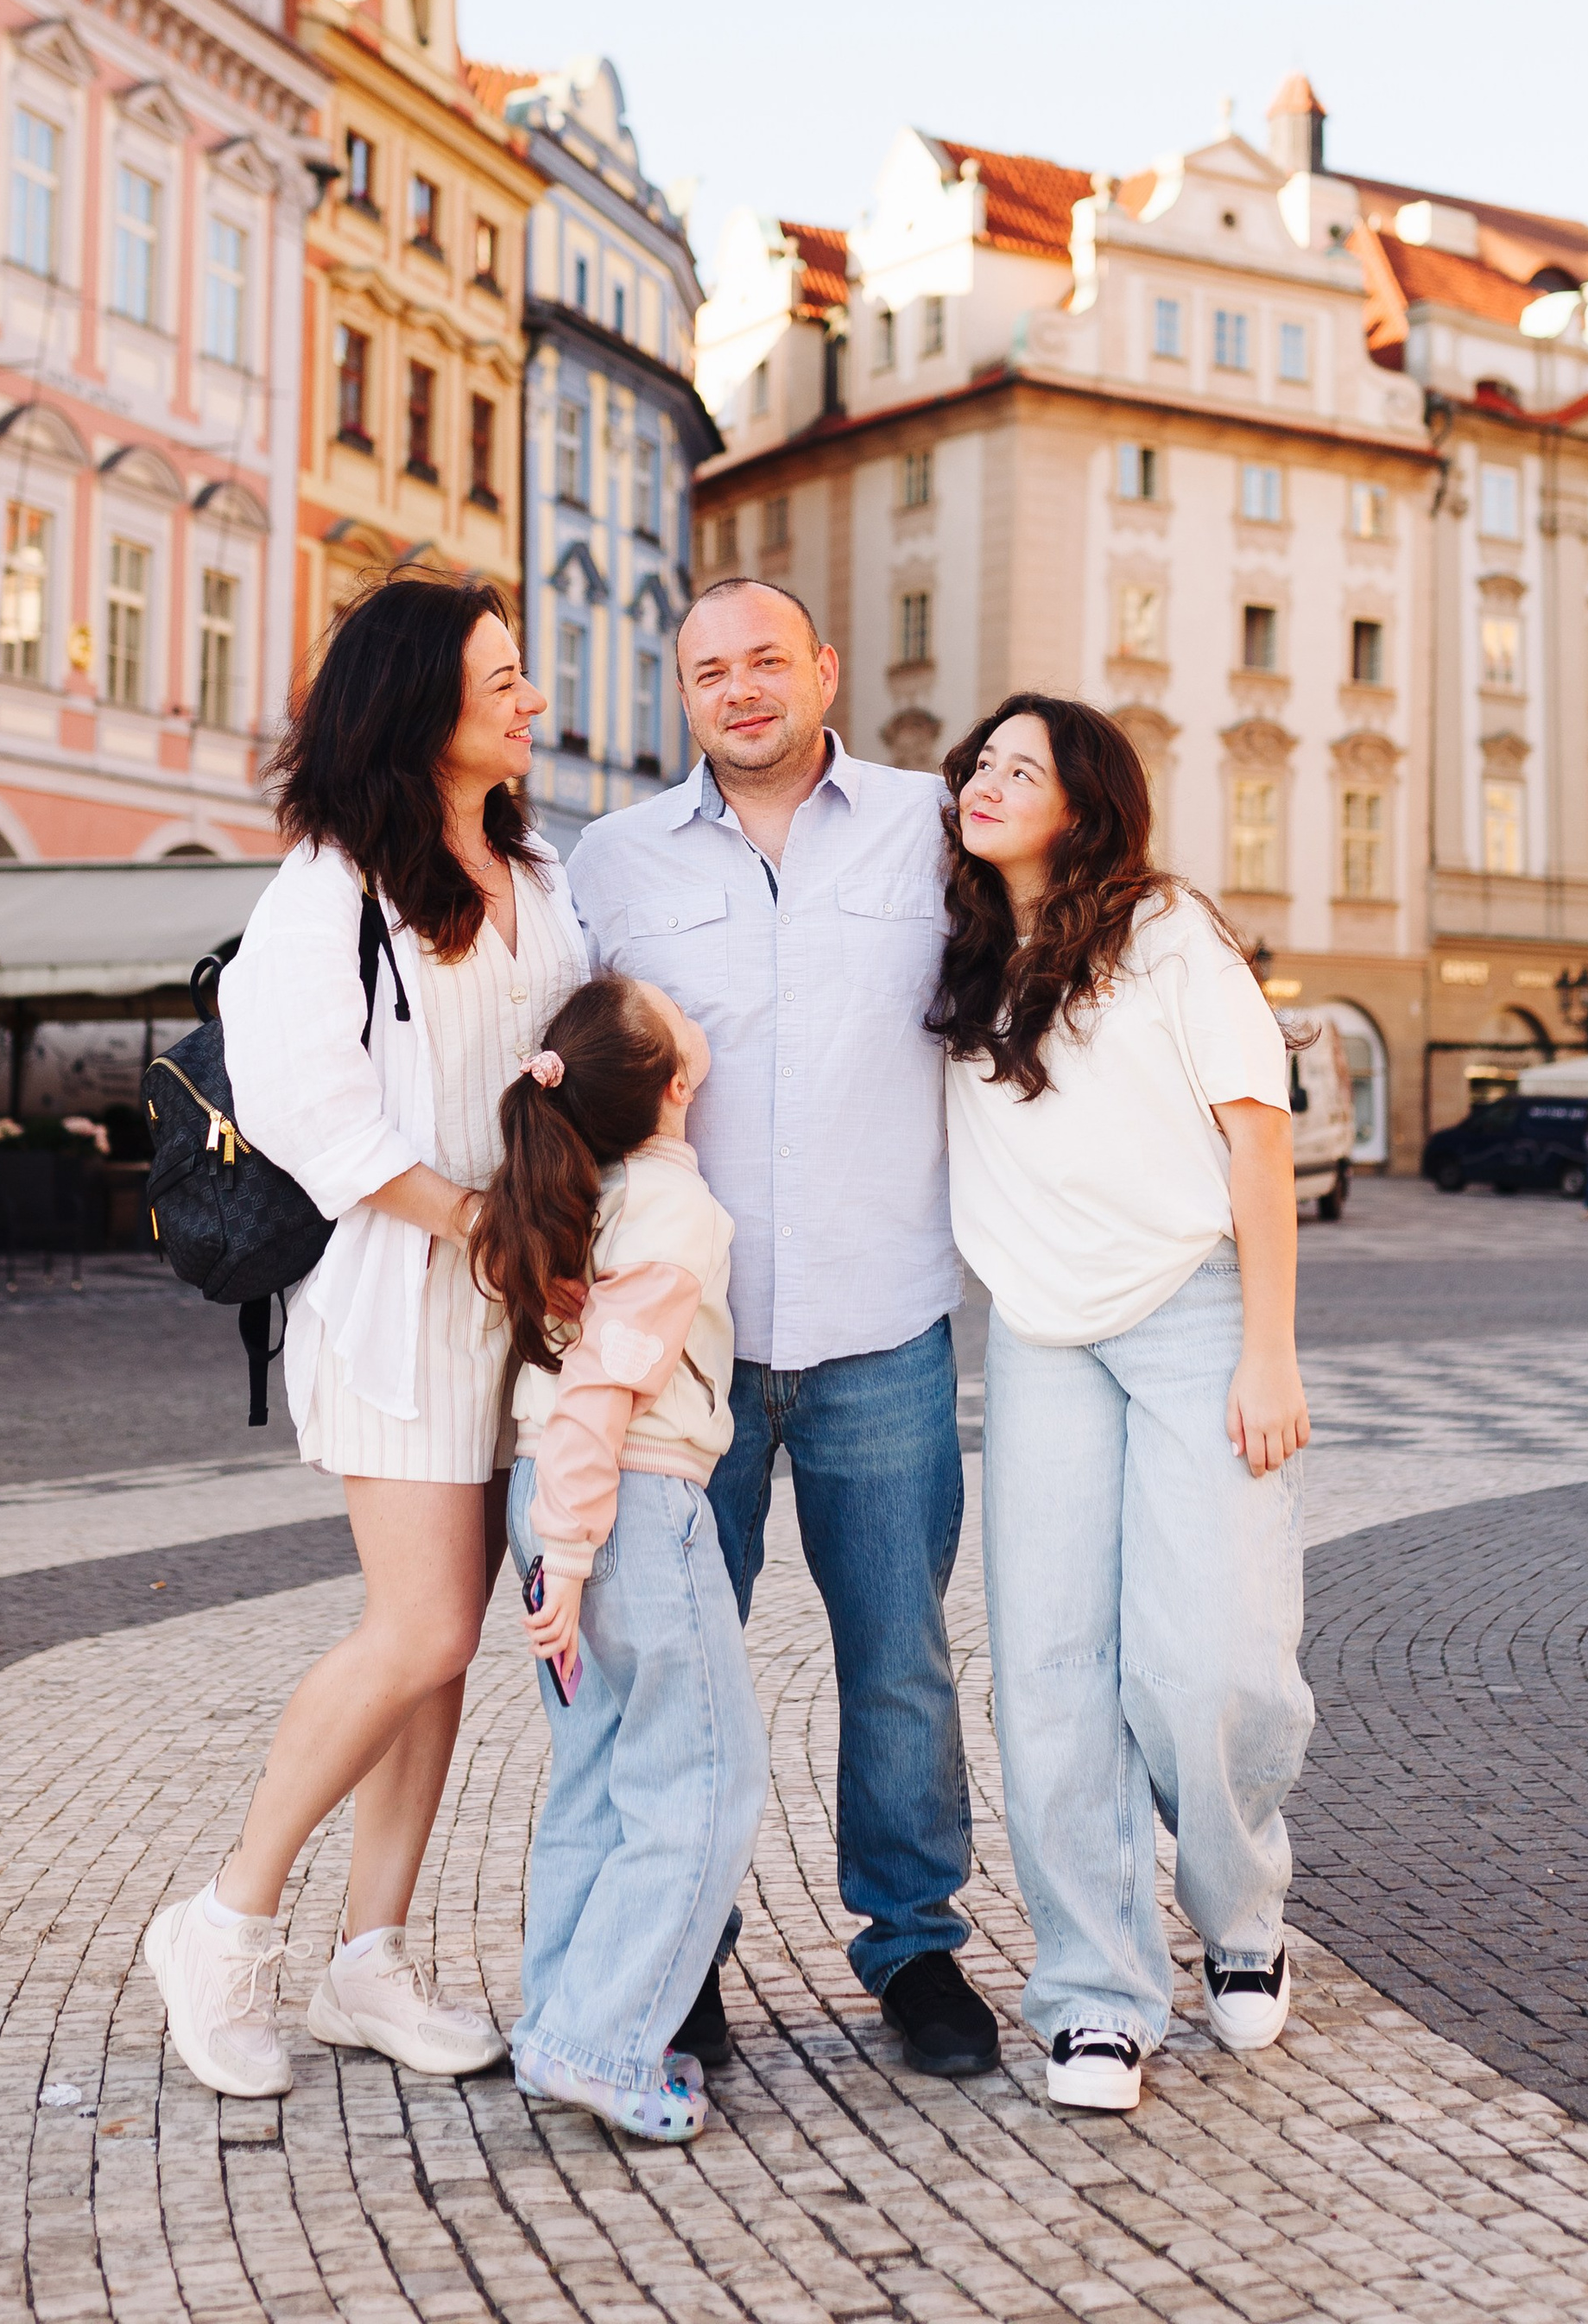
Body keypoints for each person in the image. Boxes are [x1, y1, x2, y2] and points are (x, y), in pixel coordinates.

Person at [143, 574, 587, 2099]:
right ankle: (222, 1924)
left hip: (514, 1317)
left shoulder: (536, 865)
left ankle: (368, 1960)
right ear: (420, 707)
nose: (534, 699)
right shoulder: (329, 887)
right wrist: (475, 1220)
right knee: (422, 1630)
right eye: (506, 677)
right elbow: (306, 1108)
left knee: (443, 1657)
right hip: (403, 1304)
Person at [569, 576, 998, 2080]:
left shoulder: (933, 829)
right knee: (680, 1667)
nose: (740, 690)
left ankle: (918, 1947)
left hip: (883, 1318)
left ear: (825, 667)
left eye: (766, 661)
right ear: (681, 694)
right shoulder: (608, 864)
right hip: (693, 1349)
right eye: (708, 672)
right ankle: (683, 1951)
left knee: (900, 1655)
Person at [931, 693, 1314, 2116]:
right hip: (1038, 1340)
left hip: (1194, 1313)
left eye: (1021, 767)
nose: (985, 780)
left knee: (1211, 1656)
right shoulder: (964, 958)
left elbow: (1259, 1143)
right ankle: (1095, 1996)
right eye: (979, 762)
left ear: (1084, 802)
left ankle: (1240, 1910)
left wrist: (1268, 1349)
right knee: (1047, 1671)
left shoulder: (1165, 934)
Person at [470, 970, 765, 2143]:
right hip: (627, 1505)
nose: (690, 1003)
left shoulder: (582, 1190)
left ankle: (561, 2020)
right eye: (671, 1007)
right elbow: (603, 1389)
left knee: (595, 1771)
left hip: (566, 1493)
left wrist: (558, 1538)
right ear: (677, 1079)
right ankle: (603, 2041)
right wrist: (576, 1554)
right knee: (701, 1778)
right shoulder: (670, 1211)